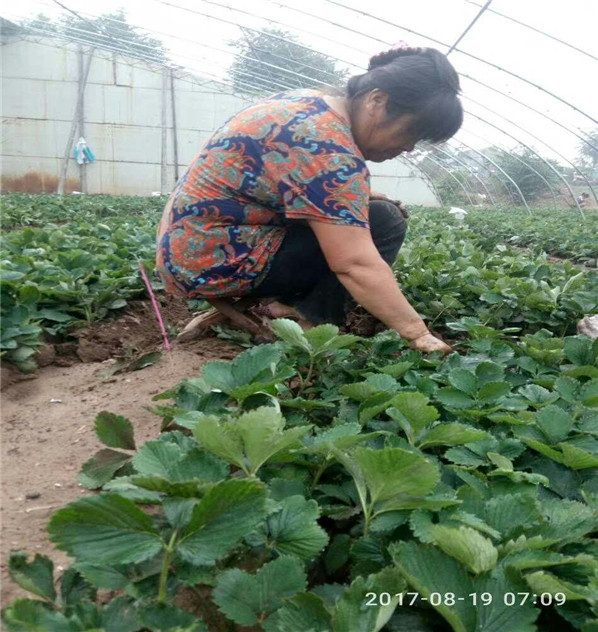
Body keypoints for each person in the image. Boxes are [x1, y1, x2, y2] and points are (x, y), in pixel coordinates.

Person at [156, 44, 463, 353]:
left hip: (186, 249)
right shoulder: (329, 150)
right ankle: (308, 320)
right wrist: (418, 334)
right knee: (383, 221)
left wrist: (357, 197)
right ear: (377, 100)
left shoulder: (307, 106)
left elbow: (280, 178)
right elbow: (355, 263)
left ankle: (287, 307)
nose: (410, 147)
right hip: (212, 263)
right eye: (413, 132)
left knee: (370, 211)